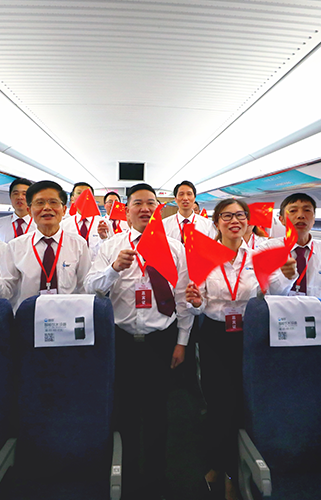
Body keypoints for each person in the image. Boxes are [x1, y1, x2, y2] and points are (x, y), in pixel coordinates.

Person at [84, 183, 191, 500]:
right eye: (138, 203)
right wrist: (114, 269)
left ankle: (157, 477)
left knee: (159, 410)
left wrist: (182, 341)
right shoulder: (110, 247)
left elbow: (183, 298)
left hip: (161, 339)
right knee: (125, 410)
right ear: (126, 210)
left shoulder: (175, 248)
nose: (145, 208)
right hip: (122, 341)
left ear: (158, 209)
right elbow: (91, 287)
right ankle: (125, 476)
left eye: (151, 203)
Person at [185, 200, 295, 500]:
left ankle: (231, 471)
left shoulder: (257, 257)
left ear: (248, 221)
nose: (235, 220)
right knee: (219, 406)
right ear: (216, 222)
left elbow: (273, 292)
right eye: (227, 216)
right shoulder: (203, 257)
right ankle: (221, 467)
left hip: (250, 338)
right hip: (215, 338)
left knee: (243, 406)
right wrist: (195, 303)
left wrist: (286, 275)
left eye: (240, 215)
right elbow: (196, 305)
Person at [0, 180, 91, 311]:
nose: (47, 207)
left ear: (64, 210)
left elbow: (85, 288)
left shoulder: (78, 244)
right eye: (40, 203)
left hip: (66, 316)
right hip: (26, 318)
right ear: (29, 210)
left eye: (53, 202)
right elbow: (5, 294)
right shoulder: (15, 246)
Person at [61, 181, 112, 259]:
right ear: (72, 198)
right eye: (79, 193)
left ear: (93, 198)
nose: (83, 196)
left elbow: (112, 249)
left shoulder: (104, 223)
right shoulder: (64, 225)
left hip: (97, 264)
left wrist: (104, 239)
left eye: (87, 193)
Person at [0, 178, 35, 243]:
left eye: (24, 194)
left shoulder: (40, 225)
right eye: (16, 193)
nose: (20, 197)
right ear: (10, 197)